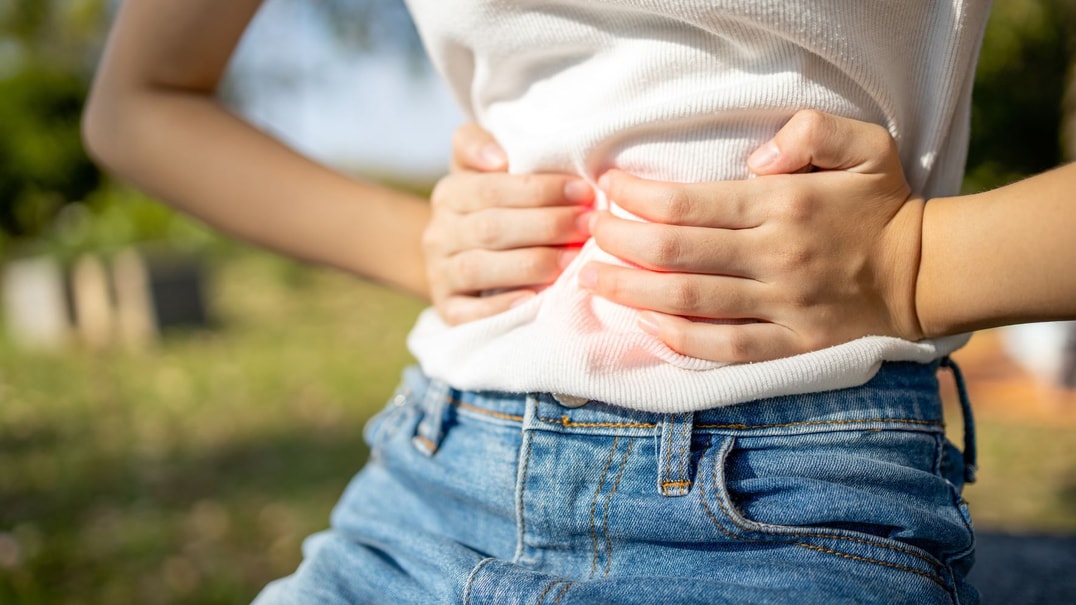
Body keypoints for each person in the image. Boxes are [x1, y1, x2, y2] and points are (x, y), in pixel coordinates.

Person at [82, 1, 1076, 603]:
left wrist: (915, 260)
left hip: (792, 494)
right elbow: (140, 103)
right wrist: (420, 245)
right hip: (436, 481)